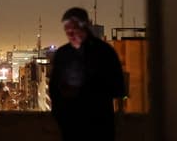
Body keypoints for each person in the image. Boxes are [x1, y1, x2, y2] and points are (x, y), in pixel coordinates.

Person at [49, 7, 126, 141]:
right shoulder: (64, 54)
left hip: (97, 126)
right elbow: (54, 89)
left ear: (84, 26)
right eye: (67, 29)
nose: (70, 33)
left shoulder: (104, 52)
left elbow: (117, 88)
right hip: (74, 127)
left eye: (73, 28)